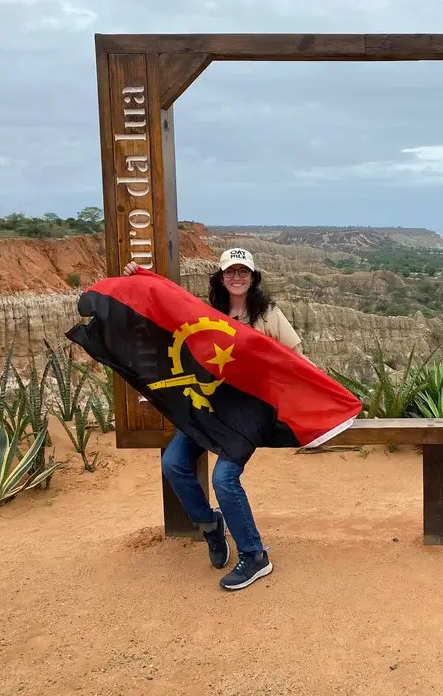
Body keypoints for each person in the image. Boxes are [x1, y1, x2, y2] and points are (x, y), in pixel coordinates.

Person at [122, 247, 305, 591]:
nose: (237, 277)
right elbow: (166, 309)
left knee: (224, 479)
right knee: (174, 463)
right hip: (210, 406)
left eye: (243, 272)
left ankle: (254, 555)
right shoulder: (208, 313)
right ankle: (210, 525)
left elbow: (297, 358)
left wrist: (320, 393)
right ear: (221, 277)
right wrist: (138, 277)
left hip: (251, 411)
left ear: (253, 277)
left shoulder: (268, 314)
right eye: (230, 272)